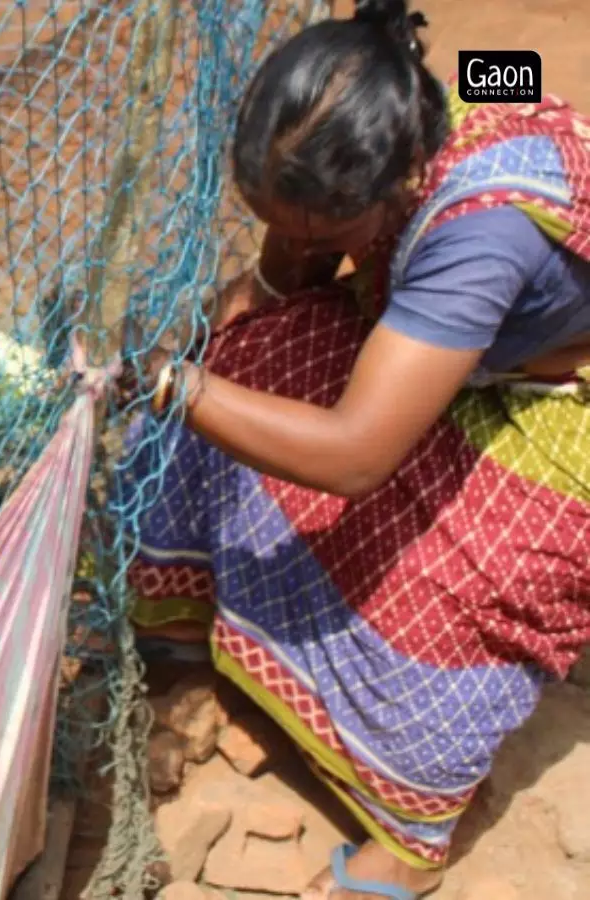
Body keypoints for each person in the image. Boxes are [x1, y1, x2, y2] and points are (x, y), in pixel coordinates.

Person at [121, 1, 590, 897]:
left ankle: (414, 839)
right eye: (277, 219)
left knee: (448, 583)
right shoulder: (424, 91)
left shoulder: (479, 238)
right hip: (454, 342)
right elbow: (526, 76)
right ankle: (191, 649)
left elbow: (356, 457)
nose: (296, 248)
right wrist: (212, 343)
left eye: (321, 234)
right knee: (234, 365)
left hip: (551, 399)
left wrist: (175, 386)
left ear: (406, 179)